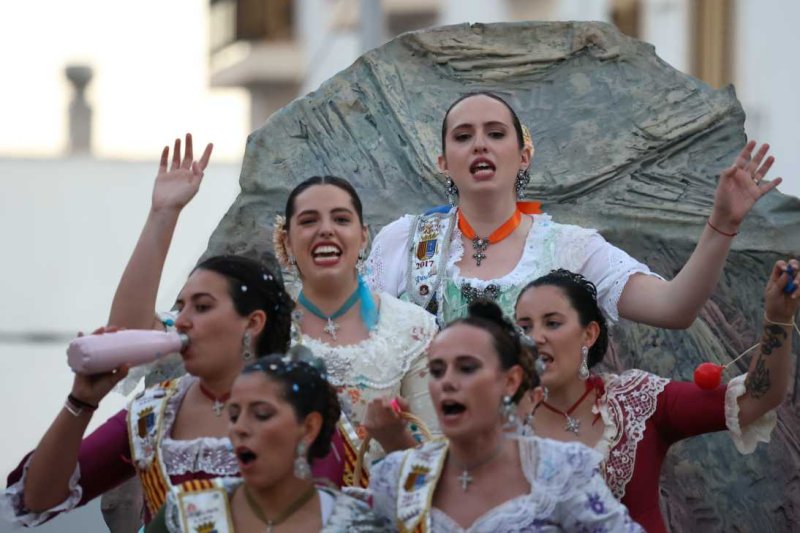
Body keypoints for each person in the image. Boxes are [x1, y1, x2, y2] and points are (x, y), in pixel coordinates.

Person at [108, 135, 438, 487]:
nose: (325, 230)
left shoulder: (411, 327)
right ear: (286, 241)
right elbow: (130, 335)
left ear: (363, 237)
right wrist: (163, 213)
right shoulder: (255, 319)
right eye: (309, 221)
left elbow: (435, 457)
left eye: (341, 220)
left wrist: (390, 435)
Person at [1, 136, 294, 527]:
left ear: (252, 323)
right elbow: (37, 497)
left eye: (203, 307)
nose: (183, 320)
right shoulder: (155, 412)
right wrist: (81, 402)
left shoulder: (302, 409)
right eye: (181, 307)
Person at [365, 91, 781, 327]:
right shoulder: (406, 241)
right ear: (443, 163)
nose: (480, 144)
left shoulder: (569, 248)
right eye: (462, 136)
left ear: (523, 156)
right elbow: (354, 331)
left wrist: (722, 224)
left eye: (495, 133)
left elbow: (673, 308)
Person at [513, 262, 799, 532]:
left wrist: (778, 318)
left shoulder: (636, 400)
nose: (535, 337)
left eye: (551, 323)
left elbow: (756, 399)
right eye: (524, 327)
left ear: (589, 334)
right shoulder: (496, 423)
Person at [369, 301, 643, 532]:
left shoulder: (563, 471)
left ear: (511, 381)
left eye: (466, 368)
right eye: (437, 371)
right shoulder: (396, 477)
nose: (447, 383)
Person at [145, 350, 388, 532]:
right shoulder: (185, 514)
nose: (239, 428)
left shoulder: (360, 525)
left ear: (309, 427)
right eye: (233, 415)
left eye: (261, 414)